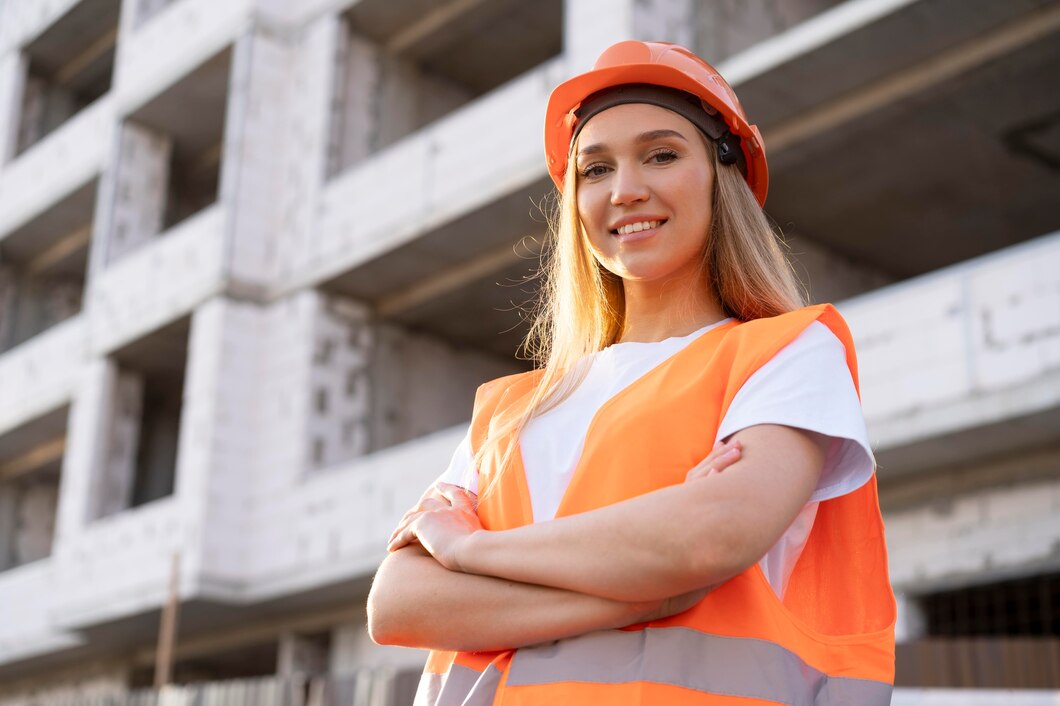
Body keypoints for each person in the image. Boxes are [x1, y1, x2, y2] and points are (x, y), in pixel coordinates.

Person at [368, 40, 896, 705]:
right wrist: (645, 587)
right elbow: (397, 604)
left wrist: (470, 554)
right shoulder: (508, 409)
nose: (624, 190)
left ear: (721, 175)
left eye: (662, 154)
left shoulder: (786, 351)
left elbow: (709, 538)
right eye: (594, 168)